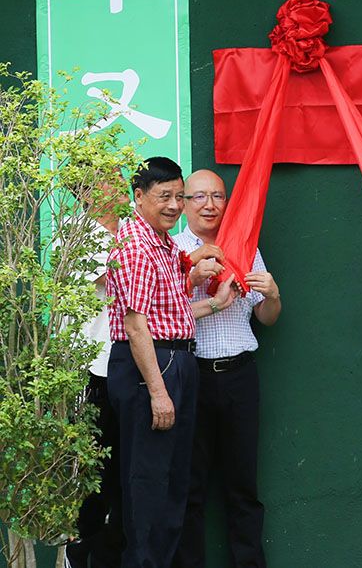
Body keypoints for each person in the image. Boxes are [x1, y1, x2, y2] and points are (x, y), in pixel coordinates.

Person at [105, 158, 237, 568]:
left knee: (174, 484)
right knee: (149, 488)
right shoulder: (136, 245)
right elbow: (136, 323)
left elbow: (170, 310)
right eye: (165, 196)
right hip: (152, 368)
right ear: (139, 196)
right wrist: (159, 392)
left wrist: (210, 298)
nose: (175, 205)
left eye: (180, 196)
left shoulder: (162, 243)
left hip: (177, 360)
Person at [172, 169, 281, 568]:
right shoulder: (172, 249)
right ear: (183, 203)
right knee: (189, 487)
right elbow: (161, 317)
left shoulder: (245, 247)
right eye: (199, 197)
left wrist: (273, 294)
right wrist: (190, 278)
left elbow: (268, 317)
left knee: (242, 487)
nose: (210, 205)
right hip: (190, 376)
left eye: (218, 196)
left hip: (239, 376)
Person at [65, 178, 129, 568]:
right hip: (92, 372)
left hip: (130, 366)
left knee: (125, 473)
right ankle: (81, 551)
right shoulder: (75, 236)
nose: (121, 187)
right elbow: (121, 280)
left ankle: (110, 554)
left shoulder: (131, 233)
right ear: (88, 191)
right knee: (95, 474)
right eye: (111, 180)